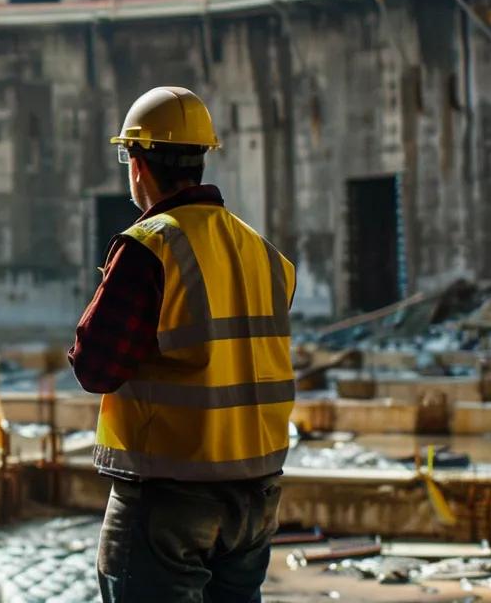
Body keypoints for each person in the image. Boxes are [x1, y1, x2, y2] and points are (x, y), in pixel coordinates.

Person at [70, 86, 297, 603]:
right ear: (199, 161)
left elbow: (94, 367)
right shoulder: (264, 253)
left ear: (137, 164)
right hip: (255, 499)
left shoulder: (149, 246)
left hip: (170, 499)